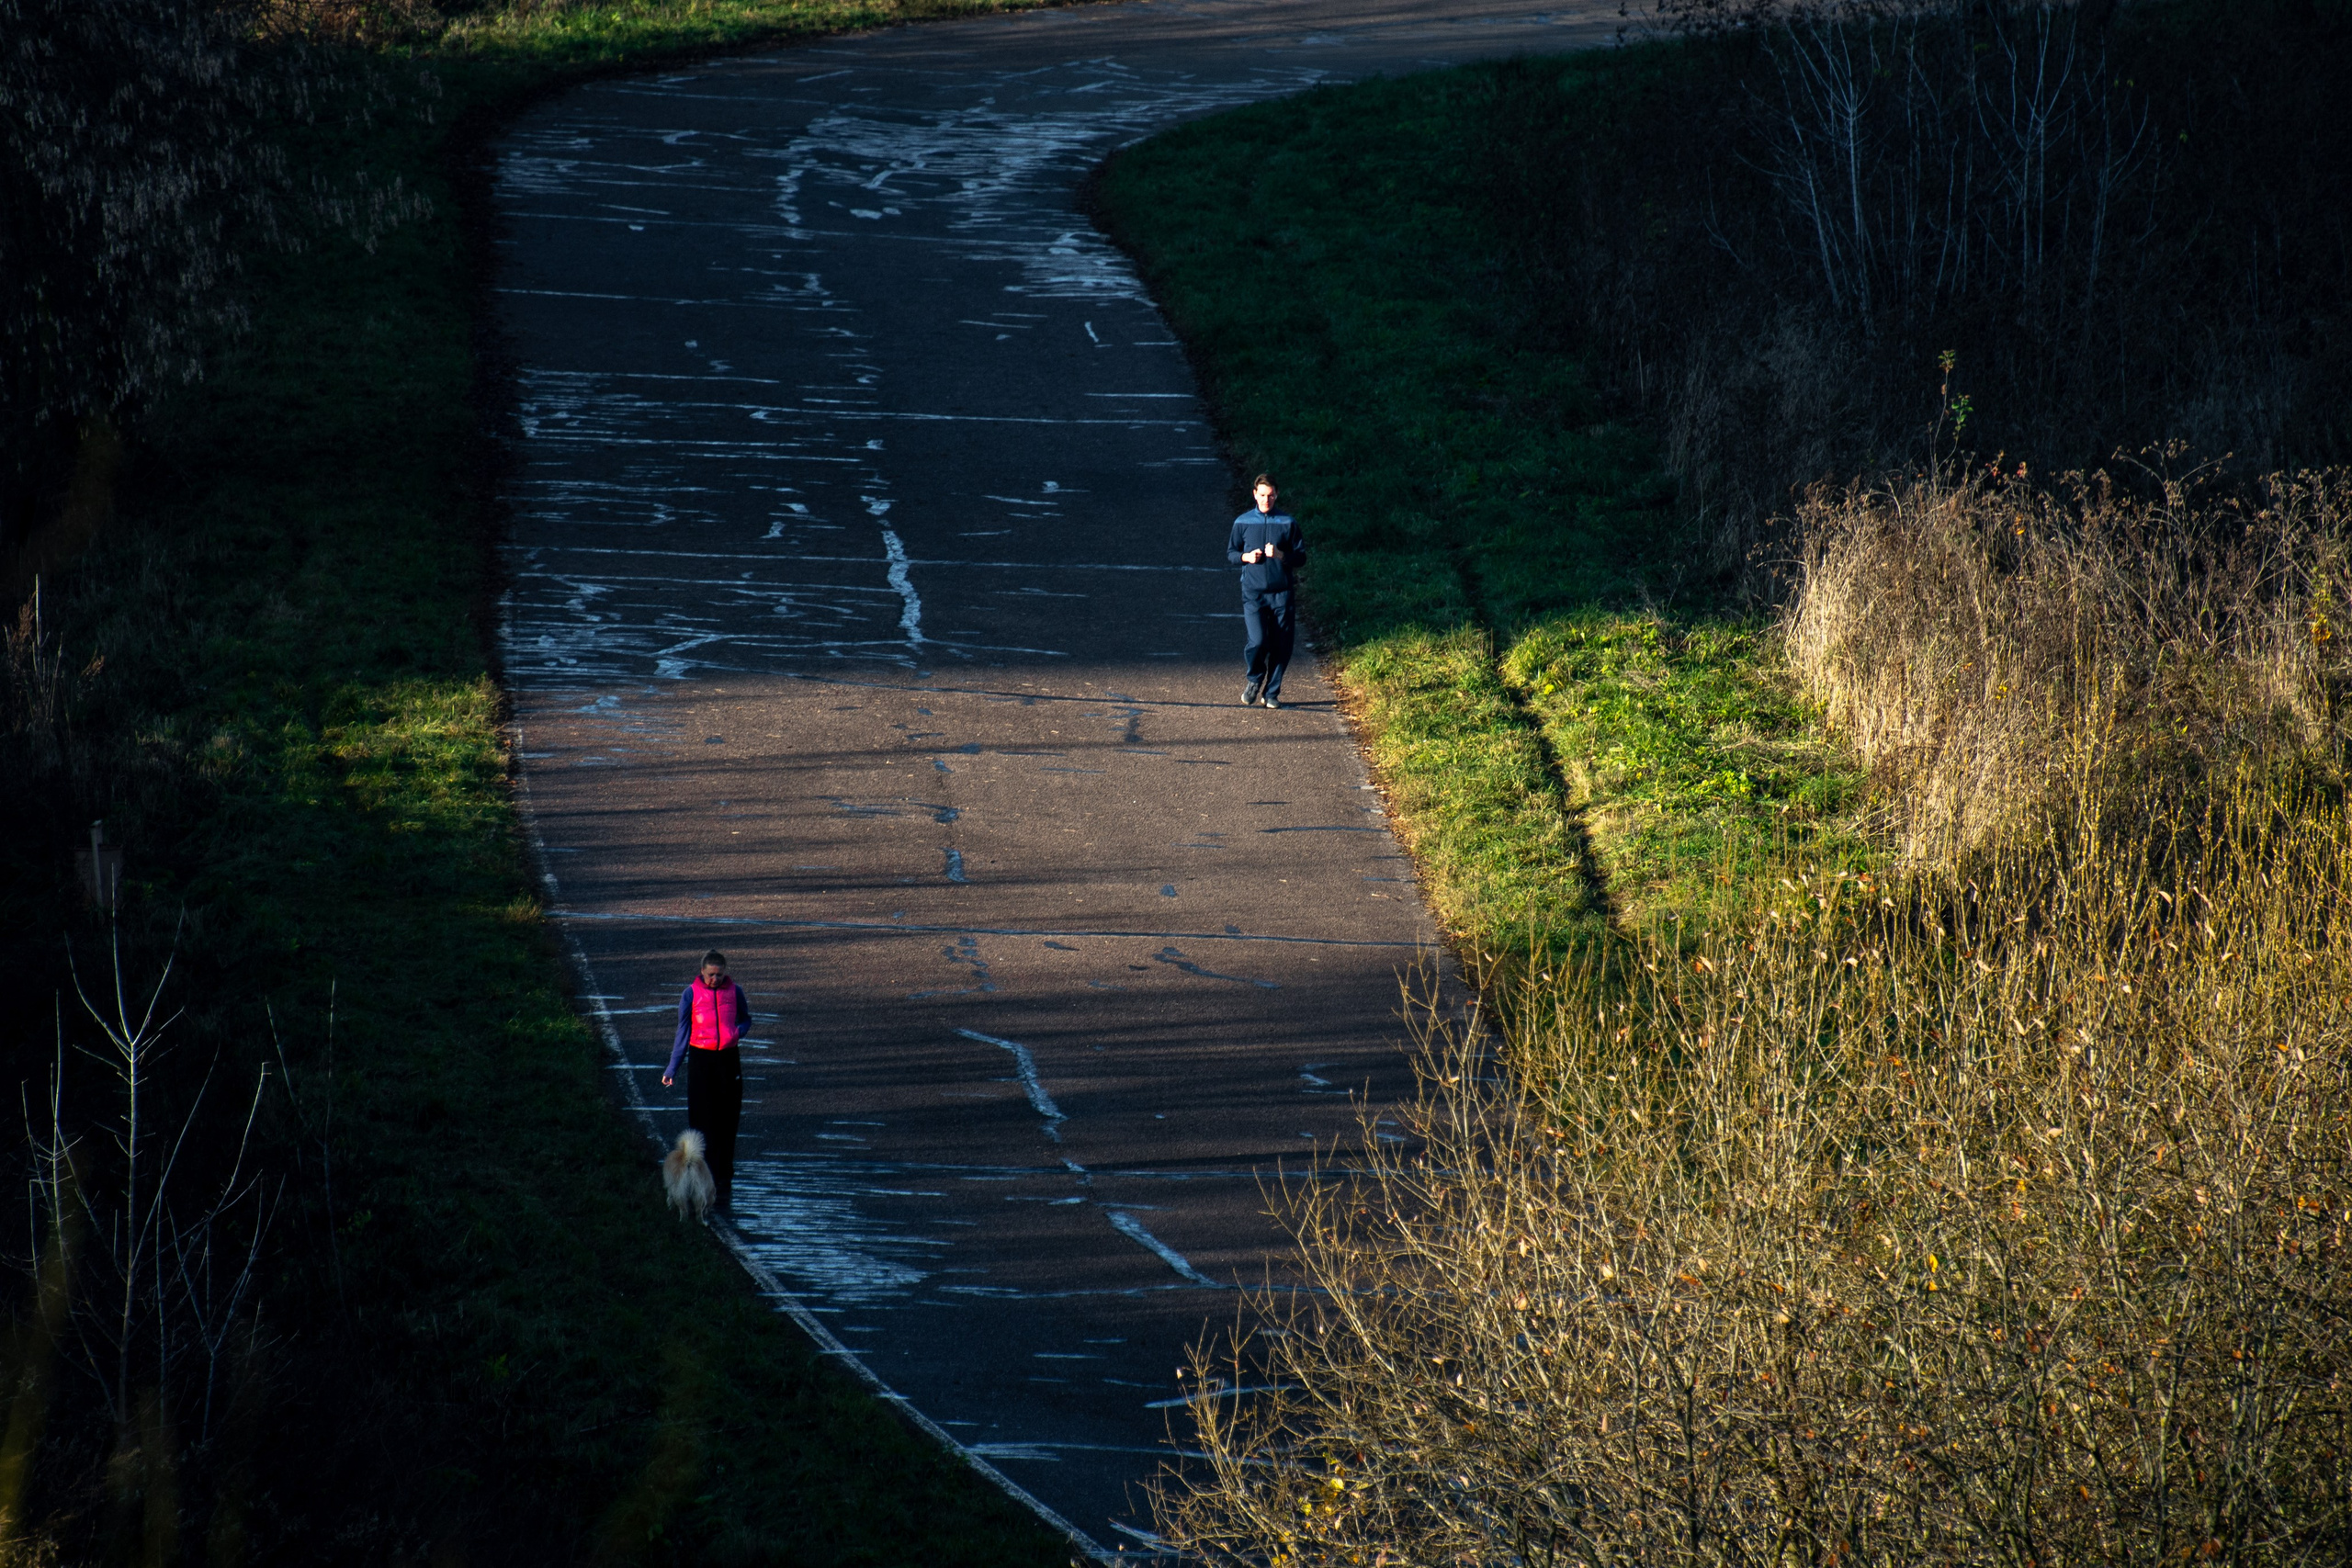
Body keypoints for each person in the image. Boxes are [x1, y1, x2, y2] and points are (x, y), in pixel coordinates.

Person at [662, 950, 750, 1212]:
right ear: (702, 972)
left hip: (728, 1059)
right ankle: (701, 1177)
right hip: (701, 1061)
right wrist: (672, 1068)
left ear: (725, 972)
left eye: (719, 974)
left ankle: (724, 1178)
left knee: (728, 1119)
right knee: (702, 1122)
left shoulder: (736, 992)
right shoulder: (690, 994)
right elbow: (682, 1032)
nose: (715, 979)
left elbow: (746, 1019)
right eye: (711, 974)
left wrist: (737, 1032)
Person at [1227, 474, 1306, 708]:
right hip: (1254, 593)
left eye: (1270, 496)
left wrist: (1281, 555)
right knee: (1258, 641)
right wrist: (1246, 557)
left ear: (1276, 495)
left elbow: (1301, 557)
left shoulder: (1288, 522)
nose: (1266, 500)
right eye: (1262, 495)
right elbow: (1231, 553)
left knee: (1282, 645)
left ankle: (1271, 692)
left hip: (1282, 593)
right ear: (1254, 494)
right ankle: (1254, 679)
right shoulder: (1242, 522)